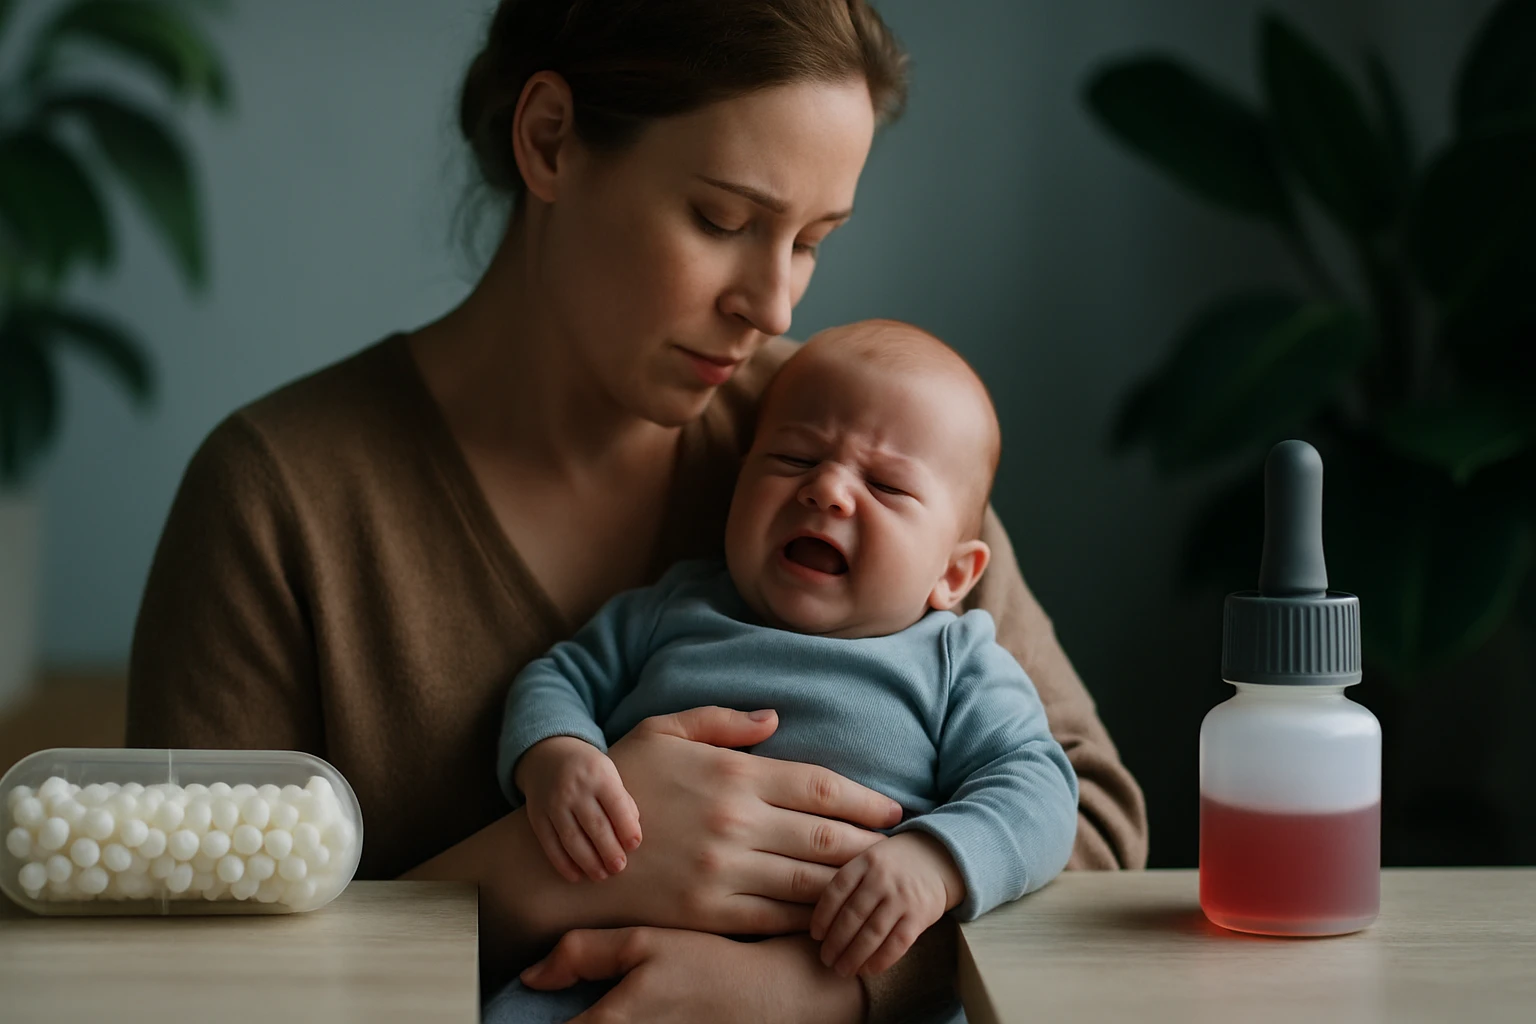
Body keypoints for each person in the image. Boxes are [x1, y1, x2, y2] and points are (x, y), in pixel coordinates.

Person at [125, 2, 1149, 1021]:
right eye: (726, 220)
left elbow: (1093, 823)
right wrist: (547, 868)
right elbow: (199, 967)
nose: (775, 305)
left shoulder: (843, 437)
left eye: (811, 240)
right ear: (550, 141)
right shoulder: (276, 500)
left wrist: (816, 989)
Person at [490, 321, 1078, 1023]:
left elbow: (1041, 788)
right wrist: (558, 755)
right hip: (606, 972)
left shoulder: (957, 661)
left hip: (831, 978)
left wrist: (938, 863)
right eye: (794, 458)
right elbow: (557, 678)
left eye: (887, 486)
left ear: (954, 573)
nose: (828, 490)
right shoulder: (675, 607)